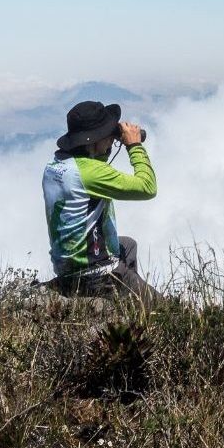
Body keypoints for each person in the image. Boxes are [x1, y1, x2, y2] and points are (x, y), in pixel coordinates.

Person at [42, 100, 158, 299]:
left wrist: (101, 146)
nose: (111, 140)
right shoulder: (91, 173)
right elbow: (147, 187)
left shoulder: (56, 165)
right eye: (106, 136)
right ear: (92, 141)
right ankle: (121, 291)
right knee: (169, 313)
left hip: (67, 266)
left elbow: (91, 168)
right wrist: (134, 146)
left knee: (128, 244)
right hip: (94, 274)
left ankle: (127, 297)